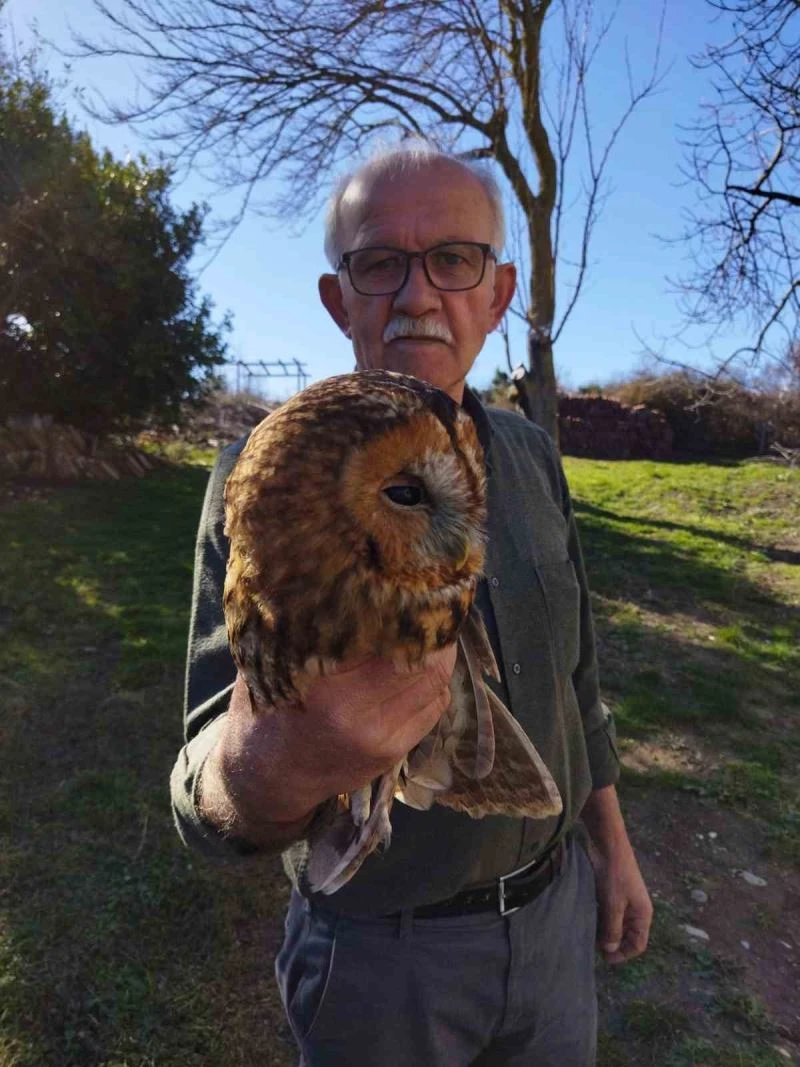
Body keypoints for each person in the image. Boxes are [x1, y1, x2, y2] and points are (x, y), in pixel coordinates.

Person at [171, 141, 653, 1066]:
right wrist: (269, 764)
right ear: (337, 297)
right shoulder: (257, 481)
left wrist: (612, 844)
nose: (420, 294)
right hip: (382, 960)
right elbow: (201, 780)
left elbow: (579, 671)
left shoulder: (531, 458)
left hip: (555, 919)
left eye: (454, 259)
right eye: (380, 262)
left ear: (499, 291)